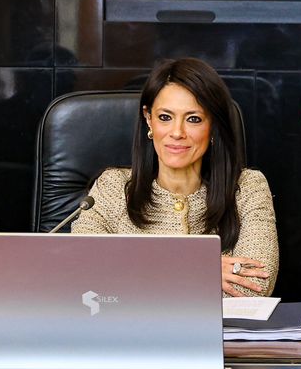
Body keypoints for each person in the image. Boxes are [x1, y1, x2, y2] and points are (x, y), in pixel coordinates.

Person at [72, 58, 278, 297]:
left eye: (193, 119)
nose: (177, 132)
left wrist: (134, 272)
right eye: (165, 117)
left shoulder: (248, 187)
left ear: (213, 126)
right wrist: (200, 269)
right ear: (148, 119)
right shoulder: (113, 187)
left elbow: (253, 287)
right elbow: (82, 270)